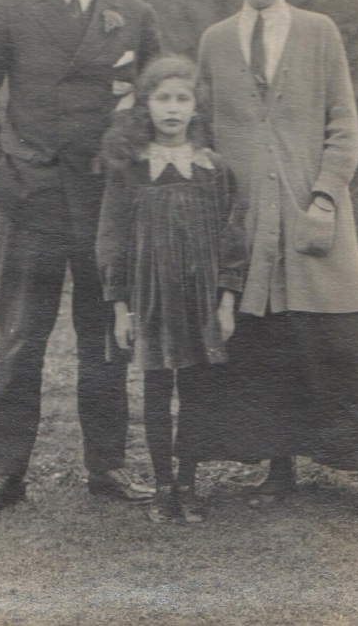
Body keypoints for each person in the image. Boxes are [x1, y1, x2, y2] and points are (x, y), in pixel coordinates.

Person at [0, 0, 161, 519]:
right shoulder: (13, 9)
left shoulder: (134, 14)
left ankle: (107, 468)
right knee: (22, 340)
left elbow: (162, 102)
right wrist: (2, 171)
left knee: (105, 342)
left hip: (105, 206)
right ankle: (6, 474)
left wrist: (132, 174)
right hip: (33, 203)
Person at [198, 0, 358, 526]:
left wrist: (324, 194)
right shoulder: (214, 40)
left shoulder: (319, 33)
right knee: (266, 342)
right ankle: (278, 465)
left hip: (312, 212)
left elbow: (345, 123)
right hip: (248, 221)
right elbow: (206, 126)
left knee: (342, 338)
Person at [96, 56, 246, 523]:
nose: (173, 109)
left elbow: (232, 238)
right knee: (157, 392)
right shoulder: (130, 170)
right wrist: (121, 307)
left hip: (200, 302)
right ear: (146, 105)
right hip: (151, 301)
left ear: (196, 106)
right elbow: (112, 238)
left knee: (197, 393)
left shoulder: (214, 169)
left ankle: (188, 483)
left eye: (183, 98)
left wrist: (226, 300)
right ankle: (163, 487)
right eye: (163, 98)